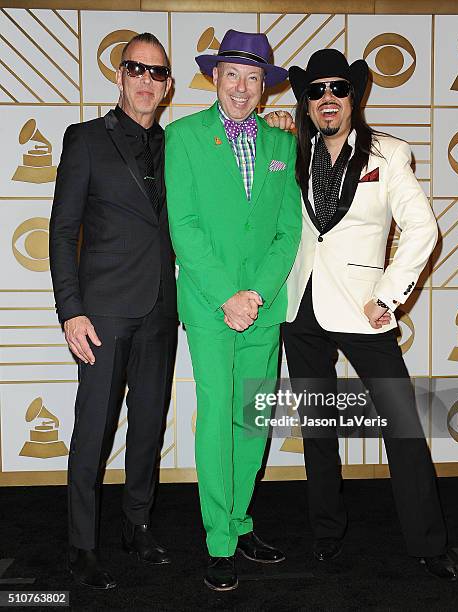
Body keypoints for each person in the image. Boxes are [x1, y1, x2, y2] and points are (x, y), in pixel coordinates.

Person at [266, 49, 457, 581]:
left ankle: (428, 543)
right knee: (318, 427)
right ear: (306, 102)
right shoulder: (291, 148)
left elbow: (423, 230)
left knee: (402, 426)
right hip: (300, 304)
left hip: (361, 306)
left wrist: (389, 295)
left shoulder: (388, 153)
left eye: (339, 89)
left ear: (355, 96)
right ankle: (326, 533)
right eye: (316, 91)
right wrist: (272, 122)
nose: (328, 98)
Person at [165, 30, 301, 591]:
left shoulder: (282, 144)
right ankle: (218, 540)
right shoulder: (184, 137)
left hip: (262, 309)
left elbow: (288, 230)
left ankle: (241, 522)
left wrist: (259, 295)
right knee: (219, 418)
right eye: (231, 75)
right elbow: (185, 228)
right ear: (214, 78)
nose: (242, 87)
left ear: (264, 87)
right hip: (210, 304)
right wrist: (228, 296)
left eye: (253, 78)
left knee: (253, 420)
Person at [49, 33, 177, 589]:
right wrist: (70, 309)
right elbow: (62, 231)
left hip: (160, 310)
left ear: (168, 85)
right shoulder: (84, 139)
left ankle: (137, 523)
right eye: (137, 70)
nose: (147, 81)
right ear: (119, 76)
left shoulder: (181, 146)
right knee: (94, 430)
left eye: (157, 73)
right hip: (100, 313)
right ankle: (81, 545)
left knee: (148, 424)